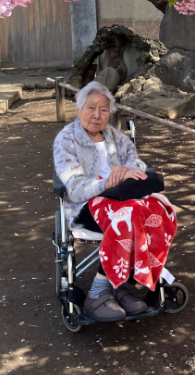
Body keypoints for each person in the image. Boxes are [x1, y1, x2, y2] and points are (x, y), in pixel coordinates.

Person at [53, 80, 150, 321]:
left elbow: (137, 163)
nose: (97, 115)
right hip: (85, 206)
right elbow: (74, 189)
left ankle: (118, 286)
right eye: (91, 108)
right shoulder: (66, 140)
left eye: (104, 109)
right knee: (127, 218)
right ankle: (98, 292)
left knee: (154, 212)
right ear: (78, 110)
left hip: (122, 201)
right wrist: (106, 183)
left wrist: (127, 171)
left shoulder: (117, 138)